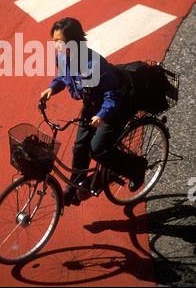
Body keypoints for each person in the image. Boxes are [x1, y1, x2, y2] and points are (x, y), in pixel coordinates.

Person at [41, 18, 147, 207]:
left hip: (116, 106)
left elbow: (113, 94)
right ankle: (73, 189)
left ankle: (136, 167)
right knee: (80, 147)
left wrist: (103, 115)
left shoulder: (93, 64)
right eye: (54, 40)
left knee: (97, 150)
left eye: (59, 41)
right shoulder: (62, 57)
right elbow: (63, 77)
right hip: (92, 105)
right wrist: (52, 88)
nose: (55, 45)